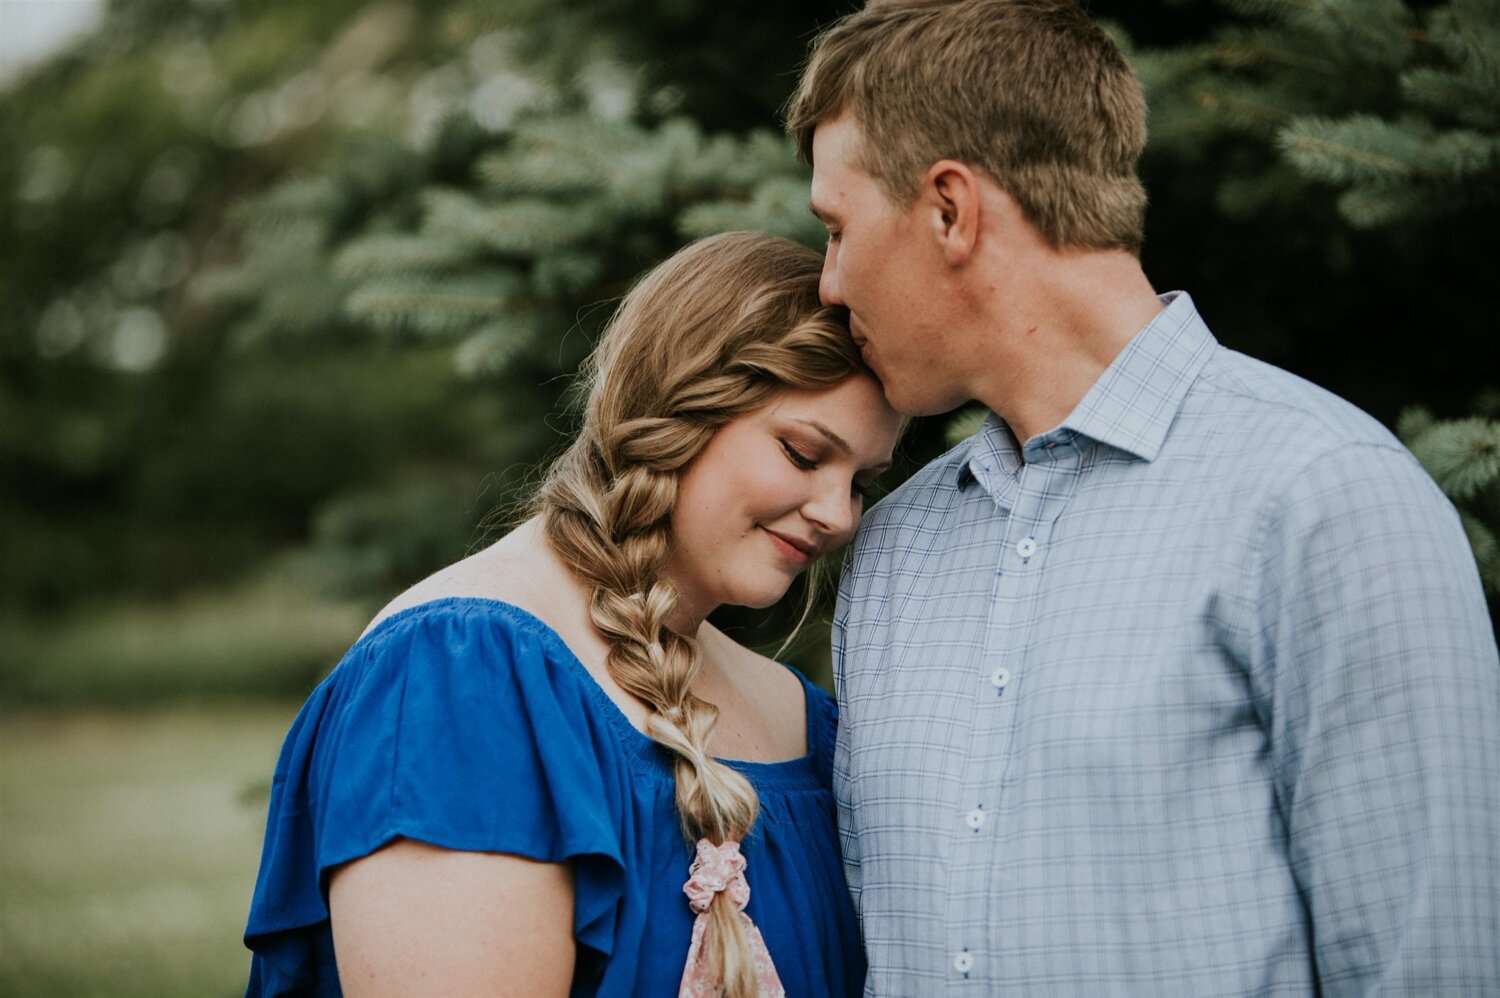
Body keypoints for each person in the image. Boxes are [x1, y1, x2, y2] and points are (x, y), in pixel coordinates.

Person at [787, 0, 1500, 993]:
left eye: (836, 227)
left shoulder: (1323, 495)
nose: (828, 283)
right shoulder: (897, 544)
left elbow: (1429, 963)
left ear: (951, 210)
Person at [242, 231, 901, 997]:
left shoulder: (802, 720)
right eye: (802, 453)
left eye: (862, 481)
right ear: (678, 408)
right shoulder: (462, 677)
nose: (838, 515)